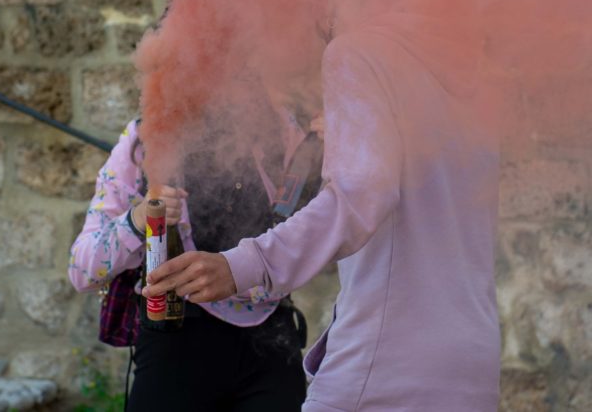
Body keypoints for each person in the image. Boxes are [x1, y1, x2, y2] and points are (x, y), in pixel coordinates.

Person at [143, 21, 501, 411]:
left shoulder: (358, 52)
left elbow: (357, 196)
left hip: (388, 363)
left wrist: (246, 263)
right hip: (474, 362)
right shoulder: (466, 75)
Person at [69, 91, 325, 412]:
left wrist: (336, 146)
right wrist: (138, 220)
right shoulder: (146, 138)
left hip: (272, 340)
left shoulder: (286, 127)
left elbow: (325, 224)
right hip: (177, 338)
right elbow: (82, 270)